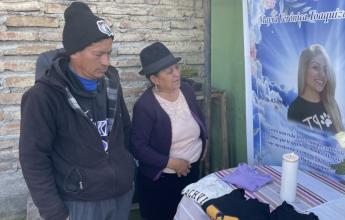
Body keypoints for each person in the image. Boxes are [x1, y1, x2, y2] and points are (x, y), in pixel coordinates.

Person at [19, 2, 135, 220]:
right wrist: (55, 213)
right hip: (79, 203)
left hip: (121, 196)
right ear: (74, 52)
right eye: (98, 54)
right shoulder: (43, 97)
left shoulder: (111, 82)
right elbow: (33, 159)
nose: (106, 62)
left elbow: (124, 132)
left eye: (109, 53)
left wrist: (128, 171)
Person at [130, 42, 208, 220]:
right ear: (154, 79)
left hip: (192, 173)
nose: (176, 74)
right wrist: (172, 163)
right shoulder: (146, 106)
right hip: (162, 182)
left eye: (176, 67)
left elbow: (198, 118)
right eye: (169, 71)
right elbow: (137, 147)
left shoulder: (186, 91)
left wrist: (205, 141)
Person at [288, 44, 344, 133]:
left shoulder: (331, 104)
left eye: (325, 70)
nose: (322, 75)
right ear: (304, 69)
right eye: (315, 67)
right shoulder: (295, 109)